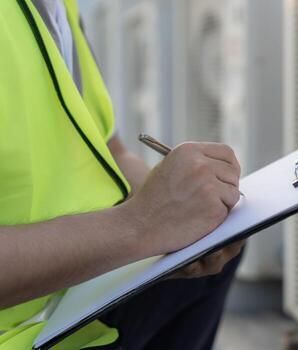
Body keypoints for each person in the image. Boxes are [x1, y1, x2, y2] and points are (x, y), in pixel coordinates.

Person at [0, 0, 244, 349]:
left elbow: (111, 149)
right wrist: (141, 225)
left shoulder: (53, 8)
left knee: (213, 249)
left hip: (75, 295)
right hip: (29, 328)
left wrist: (185, 214)